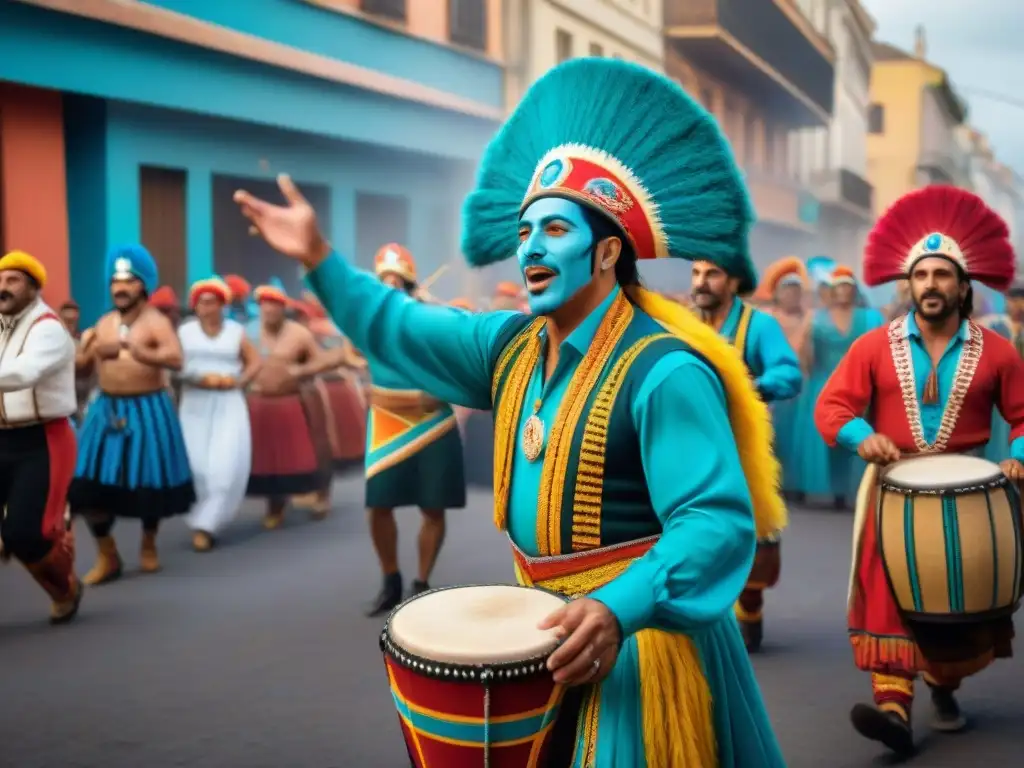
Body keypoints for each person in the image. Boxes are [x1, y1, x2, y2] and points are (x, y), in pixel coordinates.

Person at [236, 58, 787, 766]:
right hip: (539, 639)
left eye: (554, 230)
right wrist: (318, 257)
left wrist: (620, 607)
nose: (529, 246)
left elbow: (715, 522)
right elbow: (402, 325)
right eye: (525, 232)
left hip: (640, 653)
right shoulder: (510, 346)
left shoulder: (666, 372)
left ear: (607, 252)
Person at [814, 185, 1024, 755]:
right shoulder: (871, 347)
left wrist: (1018, 457)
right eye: (922, 276)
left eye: (942, 275)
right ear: (907, 284)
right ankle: (894, 712)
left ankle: (944, 686)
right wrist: (864, 437)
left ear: (964, 286)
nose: (931, 285)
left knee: (955, 613)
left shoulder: (1001, 352)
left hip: (971, 493)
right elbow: (831, 408)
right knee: (887, 597)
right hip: (891, 490)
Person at [335, 243, 470, 616]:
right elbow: (348, 349)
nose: (392, 285)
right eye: (385, 280)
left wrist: (429, 312)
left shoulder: (426, 314)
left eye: (398, 279)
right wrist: (360, 361)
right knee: (378, 505)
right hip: (388, 421)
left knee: (433, 506)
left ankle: (421, 583)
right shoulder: (368, 321)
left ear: (410, 282)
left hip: (431, 420)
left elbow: (459, 337)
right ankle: (390, 579)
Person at [691, 256, 801, 653]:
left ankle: (750, 610)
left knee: (752, 536)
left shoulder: (760, 326)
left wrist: (747, 385)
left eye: (712, 273)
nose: (701, 282)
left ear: (734, 282)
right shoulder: (679, 324)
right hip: (689, 447)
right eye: (696, 273)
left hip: (745, 449)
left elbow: (788, 374)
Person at [70, 245, 196, 584]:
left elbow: (176, 360)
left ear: (142, 286)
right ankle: (107, 554)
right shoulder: (103, 323)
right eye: (114, 282)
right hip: (107, 408)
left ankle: (149, 544)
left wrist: (132, 349)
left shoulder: (156, 323)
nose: (119, 289)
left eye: (127, 282)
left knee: (149, 483)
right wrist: (85, 350)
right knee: (84, 486)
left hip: (148, 408)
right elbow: (82, 371)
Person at [0, 251, 82, 623]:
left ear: (33, 287)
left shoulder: (48, 328)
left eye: (13, 280)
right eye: (0, 280)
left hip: (42, 441)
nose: (3, 287)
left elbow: (25, 372)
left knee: (25, 533)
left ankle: (64, 587)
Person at [179, 277, 261, 551]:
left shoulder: (235, 332)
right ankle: (199, 516)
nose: (206, 306)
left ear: (221, 304)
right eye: (202, 302)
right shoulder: (185, 332)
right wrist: (199, 378)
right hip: (194, 404)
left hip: (228, 404)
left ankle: (206, 526)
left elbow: (255, 362)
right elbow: (172, 365)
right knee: (197, 466)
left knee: (224, 467)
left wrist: (238, 381)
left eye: (212, 301)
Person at [796, 265, 885, 508]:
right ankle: (817, 488)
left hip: (858, 384)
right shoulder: (815, 318)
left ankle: (850, 491)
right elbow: (803, 353)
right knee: (822, 439)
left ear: (854, 290)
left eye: (848, 286)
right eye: (840, 286)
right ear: (832, 291)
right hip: (822, 383)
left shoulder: (871, 318)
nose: (844, 291)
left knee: (856, 435)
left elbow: (882, 349)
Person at [245, 284, 332, 528]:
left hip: (293, 400)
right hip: (260, 401)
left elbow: (321, 361)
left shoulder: (299, 334)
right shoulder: (248, 332)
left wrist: (299, 370)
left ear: (283, 308)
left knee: (308, 452)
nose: (269, 310)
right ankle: (275, 505)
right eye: (264, 305)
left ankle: (321, 493)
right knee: (267, 458)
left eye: (274, 305)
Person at [752, 256, 812, 499]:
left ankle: (796, 484)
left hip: (802, 384)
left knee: (798, 439)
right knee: (773, 436)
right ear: (778, 293)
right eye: (788, 290)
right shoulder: (766, 318)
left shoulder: (810, 318)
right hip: (773, 385)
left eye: (796, 291)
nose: (792, 295)